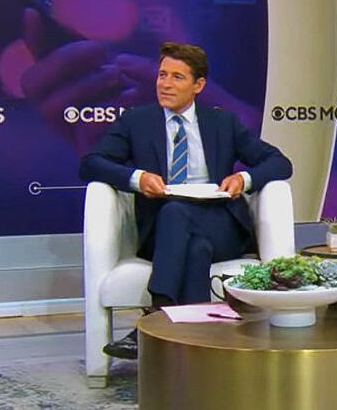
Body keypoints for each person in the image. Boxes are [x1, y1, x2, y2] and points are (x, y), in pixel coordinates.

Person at [78, 42, 293, 359]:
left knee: (179, 215)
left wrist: (243, 180)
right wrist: (138, 178)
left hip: (221, 227)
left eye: (177, 77)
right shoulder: (137, 122)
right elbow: (91, 164)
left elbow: (280, 163)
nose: (165, 84)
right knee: (193, 246)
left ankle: (155, 318)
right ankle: (197, 349)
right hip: (164, 232)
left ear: (199, 85)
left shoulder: (222, 123)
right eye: (162, 75)